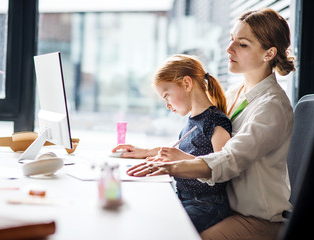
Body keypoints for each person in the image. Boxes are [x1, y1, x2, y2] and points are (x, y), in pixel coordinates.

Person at [121, 8, 295, 240]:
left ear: (269, 53)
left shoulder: (272, 106)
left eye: (242, 44)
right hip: (227, 208)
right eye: (231, 40)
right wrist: (148, 153)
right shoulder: (237, 93)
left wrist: (171, 167)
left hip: (255, 219)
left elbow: (229, 159)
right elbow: (200, 141)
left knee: (177, 234)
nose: (229, 49)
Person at [113, 54, 232, 232]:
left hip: (207, 204)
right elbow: (180, 149)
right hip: (186, 198)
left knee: (162, 230)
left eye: (166, 95)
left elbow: (223, 172)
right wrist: (145, 152)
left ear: (186, 83)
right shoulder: (192, 120)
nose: (167, 105)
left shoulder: (215, 121)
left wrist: (181, 159)